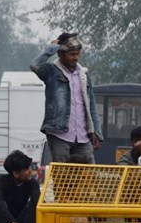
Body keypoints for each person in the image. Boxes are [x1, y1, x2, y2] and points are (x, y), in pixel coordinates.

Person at [30, 33, 101, 164]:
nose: (76, 58)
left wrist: (95, 131)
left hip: (83, 136)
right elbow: (35, 65)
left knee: (90, 175)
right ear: (61, 54)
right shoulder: (51, 72)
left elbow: (91, 105)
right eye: (72, 54)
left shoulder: (84, 74)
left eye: (77, 54)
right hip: (59, 134)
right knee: (62, 176)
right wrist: (52, 48)